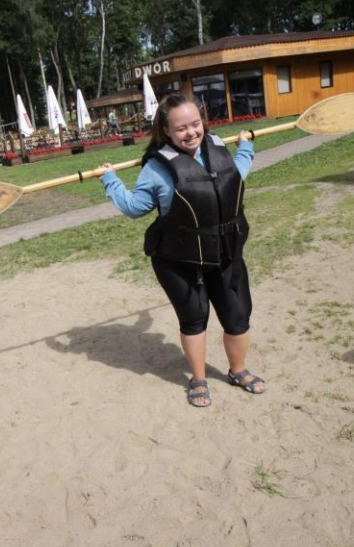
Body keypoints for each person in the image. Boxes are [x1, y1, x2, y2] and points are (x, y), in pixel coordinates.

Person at [99, 93, 265, 407]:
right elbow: (135, 207)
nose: (191, 133)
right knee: (194, 319)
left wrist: (246, 147)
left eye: (195, 124)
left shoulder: (217, 148)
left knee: (238, 316)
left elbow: (235, 175)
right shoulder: (156, 169)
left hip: (225, 253)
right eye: (181, 128)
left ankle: (238, 370)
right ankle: (198, 379)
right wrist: (111, 180)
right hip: (179, 259)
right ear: (166, 131)